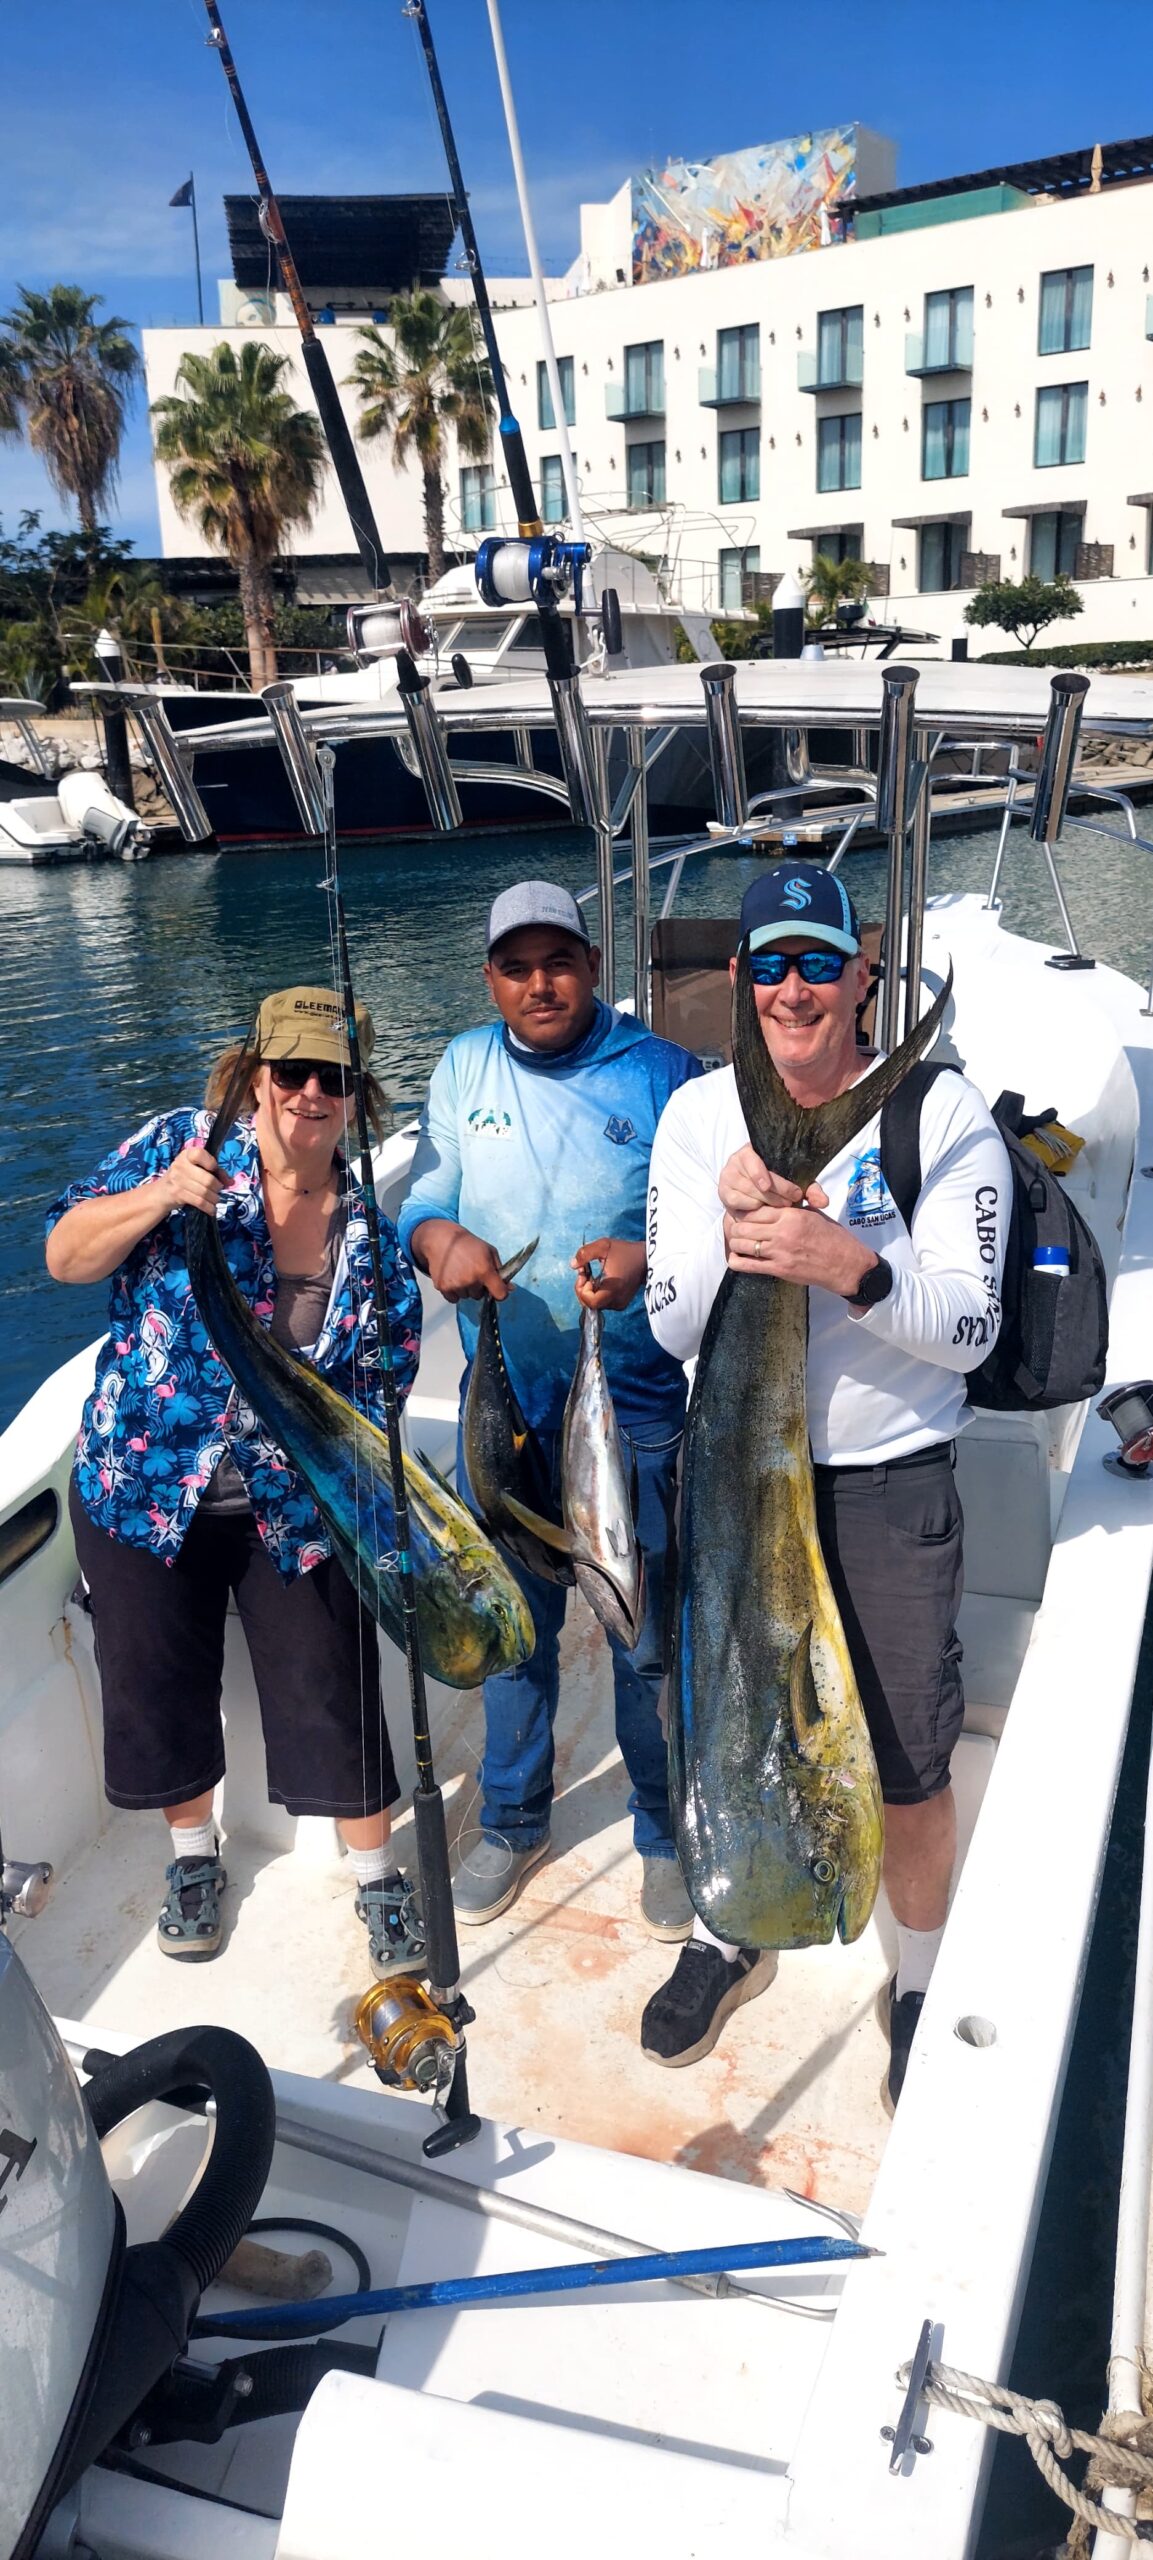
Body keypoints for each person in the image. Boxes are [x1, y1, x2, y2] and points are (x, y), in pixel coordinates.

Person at [641, 862, 1010, 2102]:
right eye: (767, 964)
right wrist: (731, 1232)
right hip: (739, 1472)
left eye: (816, 962)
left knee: (904, 1756)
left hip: (883, 1482)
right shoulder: (699, 1118)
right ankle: (724, 1931)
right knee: (728, 1718)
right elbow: (672, 1329)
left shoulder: (939, 1113)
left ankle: (917, 1979)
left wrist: (848, 1264)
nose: (793, 989)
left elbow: (968, 1328)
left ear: (864, 975)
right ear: (740, 983)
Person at [45, 984, 425, 1982]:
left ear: (355, 1097)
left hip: (287, 1508)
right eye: (290, 1071)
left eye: (330, 1078)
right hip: (144, 1487)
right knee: (156, 1681)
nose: (308, 1092)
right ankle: (191, 1859)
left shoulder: (372, 1249)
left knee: (333, 1689)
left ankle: (379, 1878)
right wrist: (160, 1197)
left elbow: (383, 1391)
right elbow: (65, 1253)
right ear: (256, 1077)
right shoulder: (181, 1146)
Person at [397, 881, 702, 1939]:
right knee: (517, 1626)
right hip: (508, 1404)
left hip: (632, 1402)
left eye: (558, 961)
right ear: (491, 977)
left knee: (641, 1630)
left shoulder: (666, 1074)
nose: (540, 983)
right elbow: (426, 1198)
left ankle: (664, 1830)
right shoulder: (462, 1065)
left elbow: (713, 1231)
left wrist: (647, 1257)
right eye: (517, 966)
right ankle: (515, 1816)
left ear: (591, 962)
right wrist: (440, 1245)